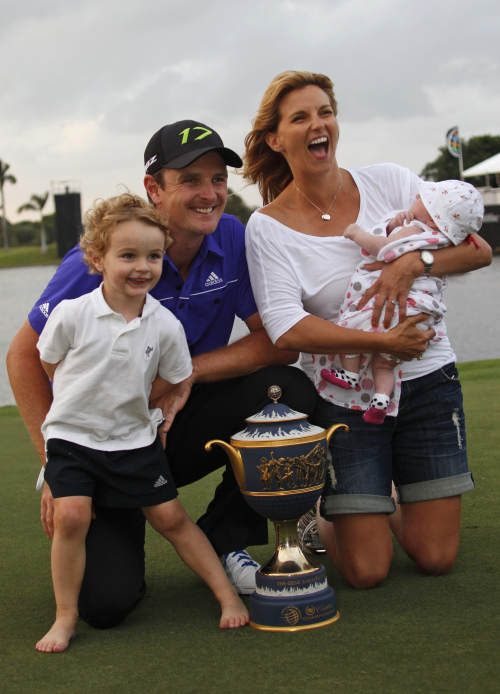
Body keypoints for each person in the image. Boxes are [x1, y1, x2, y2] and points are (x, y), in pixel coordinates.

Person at [7, 119, 319, 631]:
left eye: (218, 179)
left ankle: (223, 540)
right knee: (106, 605)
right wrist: (56, 466)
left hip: (178, 424)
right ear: (154, 189)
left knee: (289, 391)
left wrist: (187, 375)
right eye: (191, 180)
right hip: (101, 444)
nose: (210, 193)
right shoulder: (100, 257)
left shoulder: (234, 238)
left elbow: (277, 341)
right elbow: (24, 357)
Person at [243, 71, 492, 589]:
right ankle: (323, 513)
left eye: (325, 112)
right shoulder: (267, 226)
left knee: (436, 557)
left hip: (429, 382)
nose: (319, 125)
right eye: (301, 117)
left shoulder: (391, 181)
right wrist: (381, 343)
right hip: (348, 397)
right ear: (275, 138)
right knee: (366, 572)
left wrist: (413, 263)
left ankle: (387, 497)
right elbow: (286, 329)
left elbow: (478, 250)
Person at [36, 193, 249, 653]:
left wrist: (129, 407)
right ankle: (65, 617)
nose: (142, 267)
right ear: (97, 258)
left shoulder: (164, 324)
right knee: (71, 515)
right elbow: (51, 367)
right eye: (127, 255)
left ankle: (225, 593)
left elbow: (174, 378)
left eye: (153, 256)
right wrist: (84, 409)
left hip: (135, 441)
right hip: (73, 440)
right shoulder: (71, 315)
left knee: (171, 517)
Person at [317, 180, 484, 424]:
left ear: (430, 219)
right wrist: (396, 221)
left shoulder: (417, 229)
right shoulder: (447, 240)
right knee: (384, 365)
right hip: (418, 318)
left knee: (347, 331)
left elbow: (384, 249)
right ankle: (381, 401)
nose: (416, 195)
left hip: (389, 310)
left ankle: (350, 374)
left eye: (423, 200)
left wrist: (357, 234)